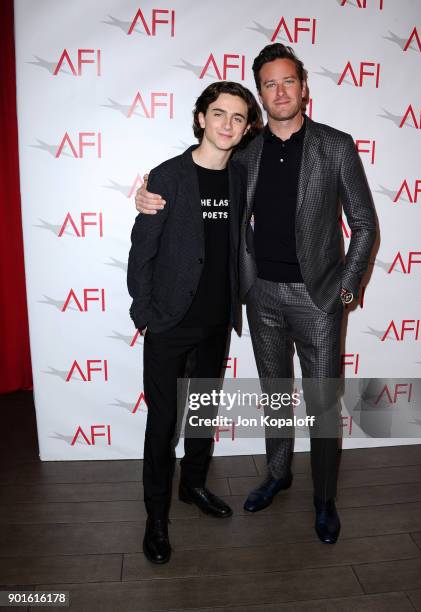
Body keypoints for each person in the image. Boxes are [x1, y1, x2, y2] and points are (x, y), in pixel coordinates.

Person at [135, 44, 377, 544]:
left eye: (288, 81)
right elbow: (197, 178)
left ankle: (325, 499)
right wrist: (146, 194)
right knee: (274, 396)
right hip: (259, 296)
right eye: (269, 84)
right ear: (261, 95)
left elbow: (364, 226)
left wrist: (344, 291)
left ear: (304, 87)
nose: (280, 91)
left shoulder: (336, 146)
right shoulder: (246, 151)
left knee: (322, 403)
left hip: (319, 300)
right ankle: (277, 472)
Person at [127, 81, 262, 564]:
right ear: (201, 117)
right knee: (163, 424)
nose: (227, 125)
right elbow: (141, 252)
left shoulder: (241, 176)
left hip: (215, 323)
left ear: (247, 129)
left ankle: (195, 487)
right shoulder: (167, 176)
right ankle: (156, 517)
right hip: (168, 322)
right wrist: (145, 314)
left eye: (238, 118)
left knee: (202, 414)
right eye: (219, 114)